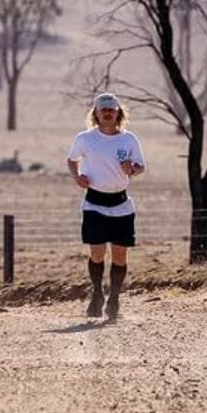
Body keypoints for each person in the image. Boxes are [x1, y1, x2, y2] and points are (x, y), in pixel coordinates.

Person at [66, 93, 146, 320]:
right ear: (96, 113)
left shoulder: (129, 139)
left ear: (119, 113)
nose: (108, 113)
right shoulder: (85, 138)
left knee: (120, 256)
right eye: (104, 110)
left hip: (121, 204)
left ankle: (115, 298)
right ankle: (97, 293)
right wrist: (77, 176)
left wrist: (132, 168)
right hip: (94, 203)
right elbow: (71, 160)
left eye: (112, 109)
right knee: (97, 252)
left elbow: (141, 167)